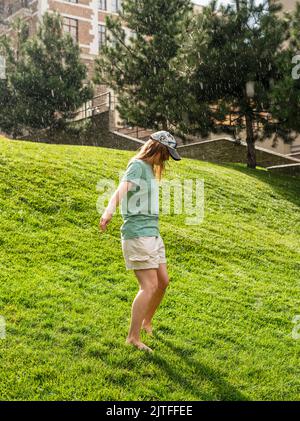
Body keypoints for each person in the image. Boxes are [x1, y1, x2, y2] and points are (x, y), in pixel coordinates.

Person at [99, 131, 182, 352]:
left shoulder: (149, 170)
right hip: (138, 234)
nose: (166, 160)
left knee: (163, 282)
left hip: (152, 232)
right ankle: (132, 337)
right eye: (166, 155)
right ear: (158, 149)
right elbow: (121, 190)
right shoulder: (137, 165)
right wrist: (108, 211)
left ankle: (146, 321)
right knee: (149, 286)